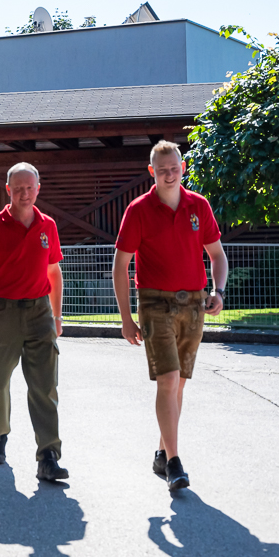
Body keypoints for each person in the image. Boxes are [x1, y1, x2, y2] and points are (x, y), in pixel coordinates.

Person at [112, 140, 228, 491]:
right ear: (152, 171)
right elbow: (120, 266)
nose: (169, 174)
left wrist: (218, 291)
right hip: (155, 303)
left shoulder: (199, 206)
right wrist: (126, 318)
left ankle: (163, 453)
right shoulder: (138, 210)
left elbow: (217, 255)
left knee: (178, 384)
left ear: (183, 168)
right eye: (162, 170)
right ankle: (175, 463)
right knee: (168, 379)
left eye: (174, 168)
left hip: (193, 304)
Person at [0, 162, 67, 482]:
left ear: (38, 189)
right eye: (18, 188)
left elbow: (54, 273)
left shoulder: (48, 225)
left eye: (30, 188)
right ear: (8, 190)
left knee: (45, 386)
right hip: (2, 312)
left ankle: (48, 455)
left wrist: (57, 315)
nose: (25, 193)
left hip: (39, 312)